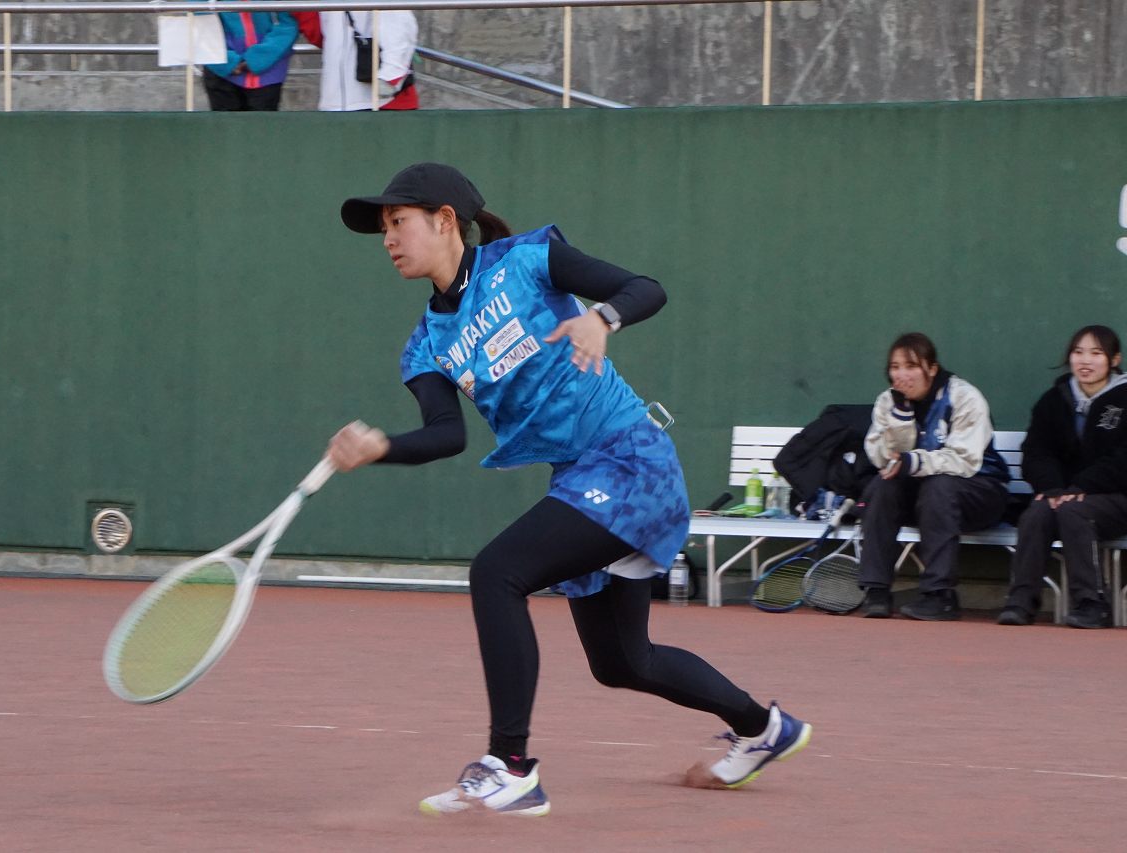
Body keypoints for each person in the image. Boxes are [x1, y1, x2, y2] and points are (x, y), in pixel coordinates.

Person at [327, 162, 810, 816]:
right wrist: (381, 447)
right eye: (383, 227)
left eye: (398, 221)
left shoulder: (528, 261)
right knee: (622, 663)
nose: (388, 238)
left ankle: (511, 765)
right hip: (580, 479)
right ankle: (763, 727)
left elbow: (645, 289)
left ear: (444, 221)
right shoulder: (425, 346)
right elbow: (446, 434)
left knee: (496, 572)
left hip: (630, 460)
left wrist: (603, 318)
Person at [999, 326, 1127, 628]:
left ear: (1114, 360)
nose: (1085, 361)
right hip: (1063, 495)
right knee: (1036, 513)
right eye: (1078, 352)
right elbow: (1036, 451)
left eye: (1096, 353)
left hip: (1122, 499)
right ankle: (1020, 601)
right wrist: (1052, 488)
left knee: (1075, 512)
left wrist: (1083, 486)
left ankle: (1092, 603)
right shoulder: (1053, 400)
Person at [857, 332, 1010, 621]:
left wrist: (913, 461)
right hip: (923, 497)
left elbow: (964, 460)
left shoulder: (964, 396)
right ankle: (876, 590)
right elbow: (880, 458)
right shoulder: (887, 401)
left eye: (911, 366)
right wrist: (901, 420)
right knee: (881, 486)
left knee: (939, 487)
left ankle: (940, 595)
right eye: (895, 367)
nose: (902, 375)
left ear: (932, 368)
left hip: (980, 491)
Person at [306, 10, 419, 112]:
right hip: (337, 97)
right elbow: (318, 33)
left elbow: (399, 25)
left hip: (383, 100)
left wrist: (390, 77)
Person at [202, 6, 298, 111]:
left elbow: (289, 24)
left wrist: (260, 57)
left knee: (261, 121)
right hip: (221, 71)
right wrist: (224, 59)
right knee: (225, 121)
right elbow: (198, 23)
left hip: (269, 72)